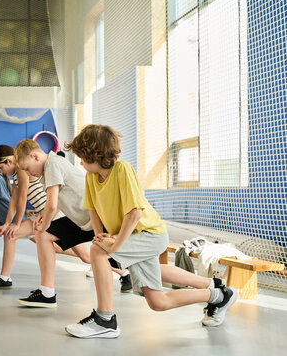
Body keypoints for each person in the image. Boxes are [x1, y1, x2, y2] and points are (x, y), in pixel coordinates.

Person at [64, 124, 238, 338]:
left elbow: (135, 213)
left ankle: (105, 319)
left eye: (82, 156)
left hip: (149, 234)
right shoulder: (91, 177)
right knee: (158, 302)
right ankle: (219, 295)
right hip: (133, 236)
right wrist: (100, 235)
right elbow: (93, 209)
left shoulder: (122, 169)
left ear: (97, 154)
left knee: (98, 252)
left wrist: (114, 245)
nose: (79, 162)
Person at [13, 139, 131, 308]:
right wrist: (43, 218)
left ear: (35, 156)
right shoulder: (48, 169)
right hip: (82, 219)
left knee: (44, 233)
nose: (28, 173)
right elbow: (53, 203)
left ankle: (127, 273)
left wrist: (44, 224)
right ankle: (47, 293)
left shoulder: (52, 164)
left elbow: (52, 204)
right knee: (45, 237)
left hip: (98, 218)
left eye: (27, 168)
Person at [0, 145, 93, 290]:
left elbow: (22, 198)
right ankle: (5, 278)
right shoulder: (15, 173)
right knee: (11, 235)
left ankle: (122, 271)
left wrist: (17, 223)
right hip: (42, 213)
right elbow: (14, 198)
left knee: (85, 256)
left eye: (0, 169)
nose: (1, 173)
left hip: (55, 213)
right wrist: (8, 223)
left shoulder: (21, 169)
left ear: (8, 162)